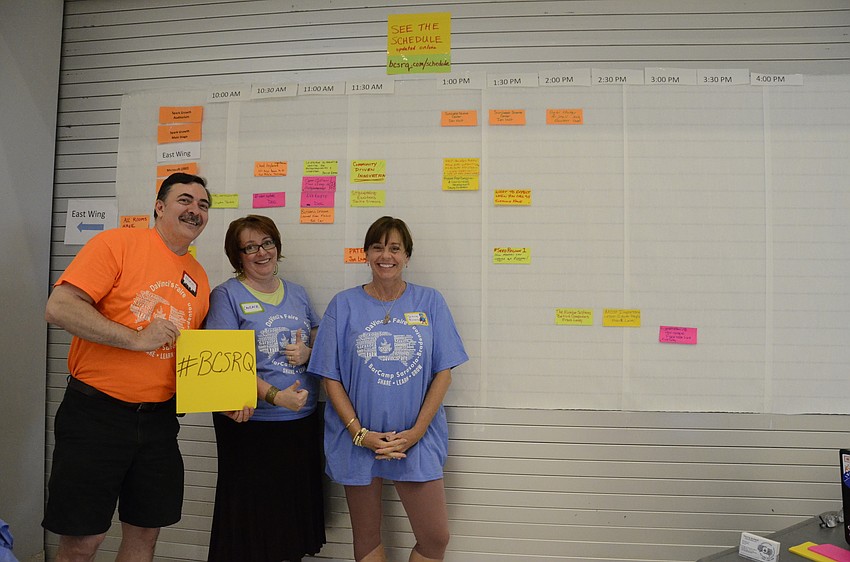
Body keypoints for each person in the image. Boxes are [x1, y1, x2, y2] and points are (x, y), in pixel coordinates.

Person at [43, 172, 211, 562]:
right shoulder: (117, 244)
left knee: (145, 535)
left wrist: (230, 394)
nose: (195, 210)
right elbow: (60, 307)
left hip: (159, 423)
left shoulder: (199, 277)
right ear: (159, 206)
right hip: (96, 415)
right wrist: (135, 339)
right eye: (185, 200)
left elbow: (194, 356)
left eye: (203, 205)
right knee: (84, 541)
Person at [307, 216, 468, 562]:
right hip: (357, 440)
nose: (386, 255)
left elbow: (444, 373)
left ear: (407, 256)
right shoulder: (343, 305)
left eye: (395, 248)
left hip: (416, 439)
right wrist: (359, 433)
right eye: (378, 247)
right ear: (366, 254)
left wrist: (416, 433)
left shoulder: (430, 302)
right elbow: (329, 376)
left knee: (435, 537)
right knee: (366, 536)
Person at [204, 214, 326, 562]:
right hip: (250, 425)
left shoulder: (297, 293)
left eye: (267, 243)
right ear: (237, 256)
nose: (262, 252)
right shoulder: (226, 296)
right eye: (250, 247)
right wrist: (275, 396)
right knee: (253, 527)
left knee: (290, 523)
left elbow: (318, 337)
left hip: (300, 422)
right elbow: (222, 363)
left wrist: (309, 352)